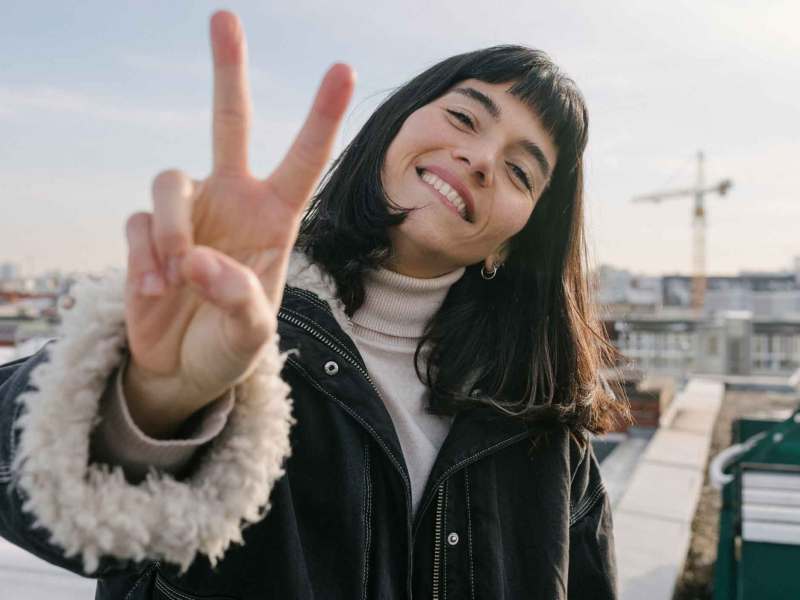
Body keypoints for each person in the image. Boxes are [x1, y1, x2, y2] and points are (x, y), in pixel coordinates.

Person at [0, 10, 629, 599]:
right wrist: (153, 401)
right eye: (465, 118)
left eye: (522, 171)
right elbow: (27, 486)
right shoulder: (243, 316)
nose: (482, 159)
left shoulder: (539, 424)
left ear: (514, 244)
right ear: (394, 128)